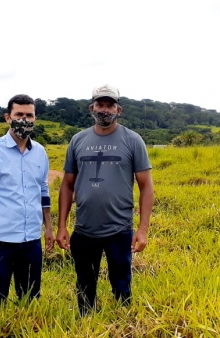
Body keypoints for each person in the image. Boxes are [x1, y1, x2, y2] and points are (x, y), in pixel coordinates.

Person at [56, 84, 154, 315]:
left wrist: (142, 229)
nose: (105, 110)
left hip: (119, 230)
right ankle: (86, 323)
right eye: (100, 104)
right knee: (84, 284)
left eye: (110, 105)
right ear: (92, 107)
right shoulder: (78, 140)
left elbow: (146, 186)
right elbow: (67, 185)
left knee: (121, 282)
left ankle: (123, 321)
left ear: (119, 110)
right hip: (84, 229)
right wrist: (61, 225)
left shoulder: (133, 140)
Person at [0, 94, 54, 306]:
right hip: (0, 239)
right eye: (19, 114)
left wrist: (49, 228)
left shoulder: (40, 153)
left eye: (29, 115)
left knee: (31, 296)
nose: (24, 120)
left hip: (31, 238)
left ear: (35, 119)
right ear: (8, 117)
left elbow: (43, 190)